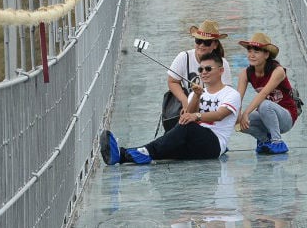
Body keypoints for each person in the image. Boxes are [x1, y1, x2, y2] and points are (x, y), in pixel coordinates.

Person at [102, 51, 240, 164]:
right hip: (194, 142)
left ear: (221, 71)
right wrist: (197, 97)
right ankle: (122, 155)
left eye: (208, 69)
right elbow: (189, 115)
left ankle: (143, 151)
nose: (203, 72)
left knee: (187, 126)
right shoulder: (195, 93)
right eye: (200, 69)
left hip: (214, 144)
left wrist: (195, 116)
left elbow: (220, 115)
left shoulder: (231, 94)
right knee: (166, 149)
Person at [235, 32, 301, 154]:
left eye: (257, 51)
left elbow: (263, 94)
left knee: (264, 105)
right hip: (266, 115)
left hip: (285, 117)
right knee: (236, 119)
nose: (252, 55)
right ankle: (264, 140)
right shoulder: (246, 73)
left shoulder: (278, 70)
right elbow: (237, 98)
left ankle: (277, 142)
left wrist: (246, 112)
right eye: (249, 51)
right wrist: (238, 115)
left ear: (266, 54)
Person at [166, 20, 234, 115]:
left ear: (215, 45)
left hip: (212, 109)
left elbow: (227, 92)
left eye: (207, 42)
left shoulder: (223, 63)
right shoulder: (183, 57)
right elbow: (172, 81)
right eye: (198, 41)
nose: (201, 45)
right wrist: (185, 101)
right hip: (189, 106)